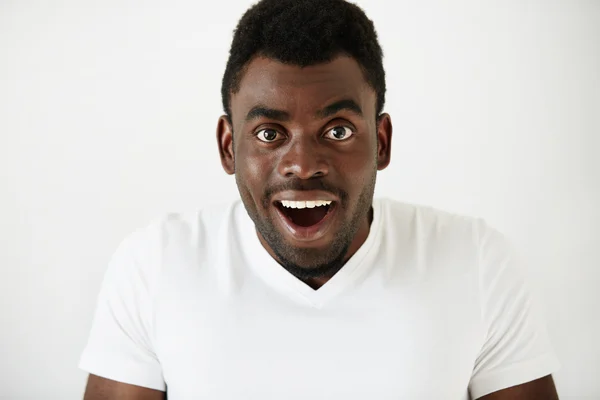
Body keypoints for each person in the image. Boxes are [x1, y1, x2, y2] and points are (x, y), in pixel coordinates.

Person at [79, 0, 561, 398]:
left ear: (382, 141)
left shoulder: (476, 261)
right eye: (269, 132)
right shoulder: (155, 265)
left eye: (338, 129)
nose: (303, 164)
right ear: (229, 147)